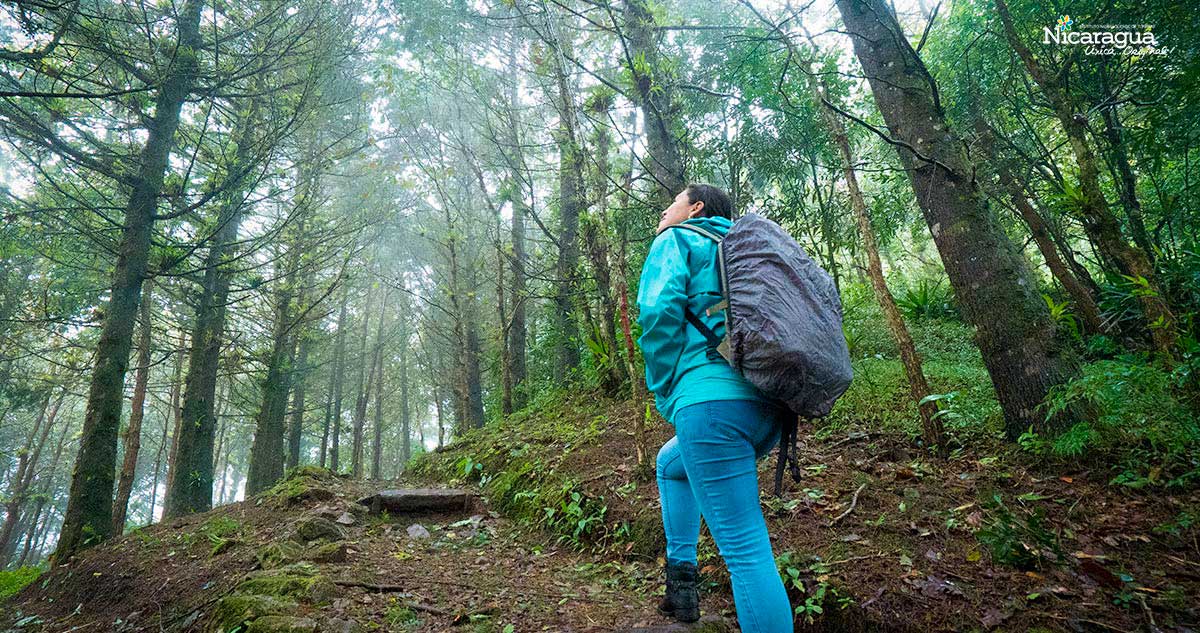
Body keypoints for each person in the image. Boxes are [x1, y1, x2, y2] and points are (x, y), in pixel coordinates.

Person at [637, 184, 794, 632]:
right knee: (670, 464)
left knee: (746, 550)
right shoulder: (750, 251)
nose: (665, 211)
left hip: (711, 407)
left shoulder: (678, 239)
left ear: (696, 208)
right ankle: (682, 585)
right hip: (770, 409)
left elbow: (658, 308)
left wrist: (667, 384)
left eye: (672, 204)